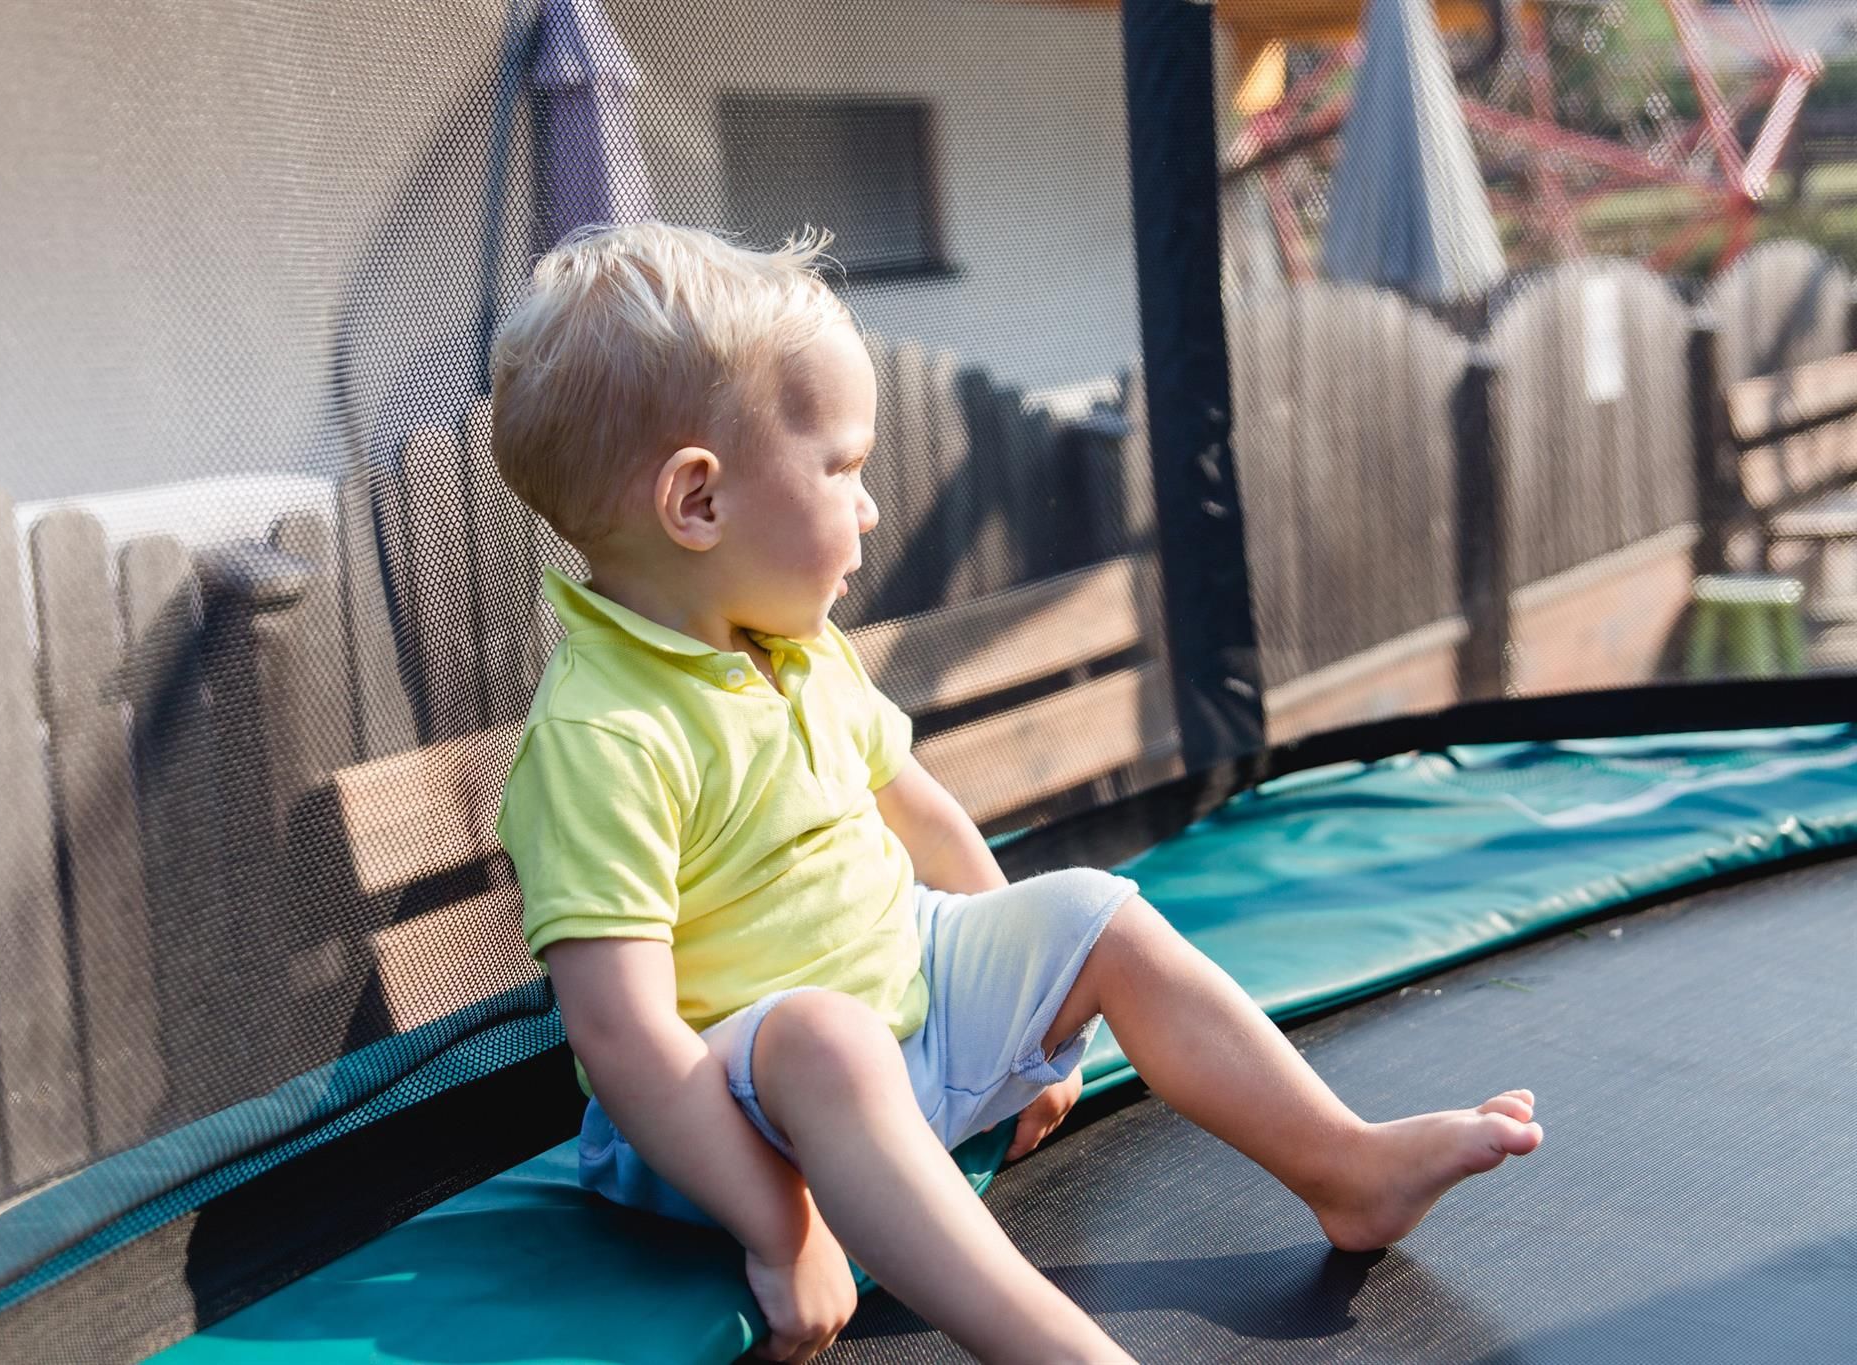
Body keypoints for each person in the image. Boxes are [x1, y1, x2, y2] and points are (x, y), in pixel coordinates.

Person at [489, 221, 1544, 1364]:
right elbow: (625, 1036)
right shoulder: (605, 734)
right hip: (727, 1131)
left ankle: (1343, 1167)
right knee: (823, 1038)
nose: (868, 507)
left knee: (1094, 908)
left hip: (902, 1031)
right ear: (698, 502)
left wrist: (1032, 1026)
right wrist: (775, 1223)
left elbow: (925, 819)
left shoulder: (791, 648)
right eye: (841, 469)